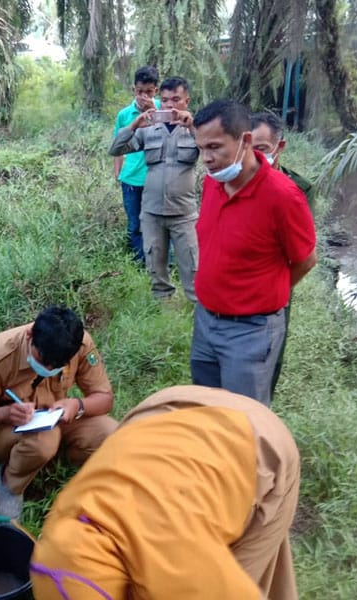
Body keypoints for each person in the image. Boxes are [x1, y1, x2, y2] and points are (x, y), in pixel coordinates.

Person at [30, 385, 300, 600]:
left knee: (243, 570)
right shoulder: (63, 526)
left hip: (257, 443)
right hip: (169, 410)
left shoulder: (180, 572)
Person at [190, 100, 317, 406]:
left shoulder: (283, 197)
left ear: (245, 141)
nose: (206, 158)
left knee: (246, 421)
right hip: (206, 322)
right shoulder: (213, 183)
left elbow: (306, 260)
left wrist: (264, 294)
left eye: (215, 147)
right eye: (200, 148)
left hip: (251, 332)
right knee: (208, 408)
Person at [0, 305, 117, 520]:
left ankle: (47, 463)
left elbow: (104, 397)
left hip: (53, 419)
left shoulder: (77, 343)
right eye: (43, 360)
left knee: (110, 434)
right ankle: (9, 484)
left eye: (58, 365)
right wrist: (6, 413)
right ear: (31, 334)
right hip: (2, 428)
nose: (49, 368)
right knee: (43, 441)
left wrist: (77, 405)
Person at [109, 76, 199, 302]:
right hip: (152, 212)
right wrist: (134, 124)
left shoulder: (195, 130)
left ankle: (196, 309)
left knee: (192, 267)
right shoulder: (149, 130)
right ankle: (164, 309)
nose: (169, 105)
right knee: (156, 266)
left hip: (184, 214)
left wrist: (194, 127)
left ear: (186, 101)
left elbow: (214, 153)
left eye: (176, 99)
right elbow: (115, 148)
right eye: (165, 100)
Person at [251, 112, 317, 395]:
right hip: (235, 286)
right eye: (249, 147)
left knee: (268, 358)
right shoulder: (230, 180)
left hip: (274, 287)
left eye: (262, 149)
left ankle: (262, 418)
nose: (254, 156)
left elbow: (303, 255)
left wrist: (276, 289)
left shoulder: (298, 190)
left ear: (280, 147)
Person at [112, 65, 159, 266]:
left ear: (155, 91)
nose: (144, 96)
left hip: (157, 178)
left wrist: (154, 113)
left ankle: (164, 262)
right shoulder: (124, 115)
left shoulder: (163, 110)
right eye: (140, 91)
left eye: (148, 92)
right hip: (131, 178)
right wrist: (117, 173)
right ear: (134, 90)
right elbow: (117, 146)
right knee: (135, 224)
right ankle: (141, 263)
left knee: (159, 222)